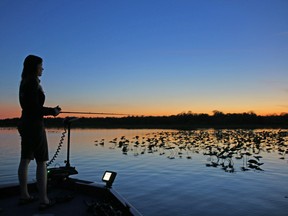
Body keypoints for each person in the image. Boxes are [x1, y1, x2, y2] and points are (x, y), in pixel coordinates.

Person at [17, 55, 61, 210]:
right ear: (35, 67)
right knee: (42, 161)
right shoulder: (32, 83)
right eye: (41, 65)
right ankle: (44, 200)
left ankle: (24, 195)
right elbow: (34, 108)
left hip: (25, 123)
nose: (42, 68)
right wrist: (52, 111)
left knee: (25, 159)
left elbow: (29, 106)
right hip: (34, 125)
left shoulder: (24, 82)